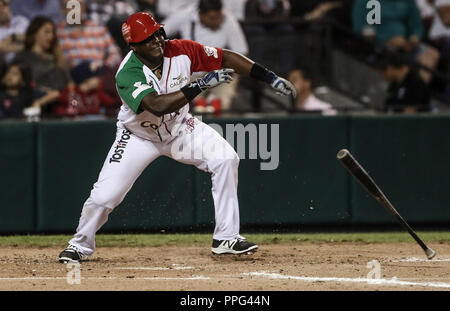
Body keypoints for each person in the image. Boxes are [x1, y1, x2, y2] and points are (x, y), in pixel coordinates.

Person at [58, 11, 296, 263]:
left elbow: (226, 57)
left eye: (158, 33)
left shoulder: (181, 49)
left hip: (180, 128)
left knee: (226, 159)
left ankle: (226, 237)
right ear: (133, 45)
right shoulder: (128, 73)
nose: (157, 40)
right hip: (138, 136)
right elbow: (158, 105)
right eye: (148, 38)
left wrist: (269, 77)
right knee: (105, 197)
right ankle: (80, 245)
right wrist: (201, 84)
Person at [163, 0, 248, 114]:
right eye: (212, 18)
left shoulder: (228, 20)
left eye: (219, 17)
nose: (217, 21)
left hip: (220, 70)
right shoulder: (185, 15)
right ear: (200, 15)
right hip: (191, 72)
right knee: (189, 107)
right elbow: (161, 33)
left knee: (221, 105)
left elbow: (242, 52)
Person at [353, 0, 440, 84]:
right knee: (404, 71)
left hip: (406, 45)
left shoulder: (408, 2)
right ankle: (402, 93)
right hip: (379, 47)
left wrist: (414, 38)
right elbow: (364, 29)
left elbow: (417, 26)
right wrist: (386, 40)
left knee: (432, 54)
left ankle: (416, 92)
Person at [14, 16, 72, 117]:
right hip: (32, 108)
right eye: (46, 32)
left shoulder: (57, 59)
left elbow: (69, 85)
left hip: (58, 109)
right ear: (35, 33)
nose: (51, 36)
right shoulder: (22, 58)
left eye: (52, 32)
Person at [0, 0, 29, 64]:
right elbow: (1, 48)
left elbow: (33, 37)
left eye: (4, 5)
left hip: (29, 60)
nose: (1, 10)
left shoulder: (22, 21)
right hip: (7, 66)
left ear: (9, 7)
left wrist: (12, 38)